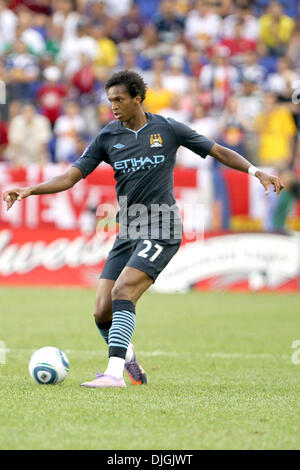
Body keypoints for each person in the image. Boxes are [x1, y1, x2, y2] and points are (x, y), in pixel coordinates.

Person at [2, 70, 284, 388]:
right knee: (101, 310)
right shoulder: (108, 136)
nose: (114, 106)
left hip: (162, 225)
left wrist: (256, 171)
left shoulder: (167, 129)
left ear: (138, 98)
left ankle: (113, 374)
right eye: (110, 101)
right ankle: (127, 354)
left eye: (119, 99)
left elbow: (218, 151)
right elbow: (70, 177)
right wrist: (30, 189)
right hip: (127, 230)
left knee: (124, 291)